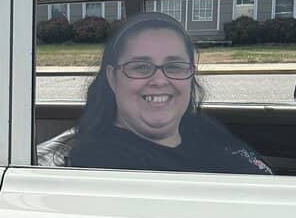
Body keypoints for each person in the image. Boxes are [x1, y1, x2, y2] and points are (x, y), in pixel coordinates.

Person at [68, 12, 272, 174]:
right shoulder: (102, 164)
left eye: (174, 66)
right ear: (113, 78)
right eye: (141, 67)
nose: (159, 81)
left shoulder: (197, 126)